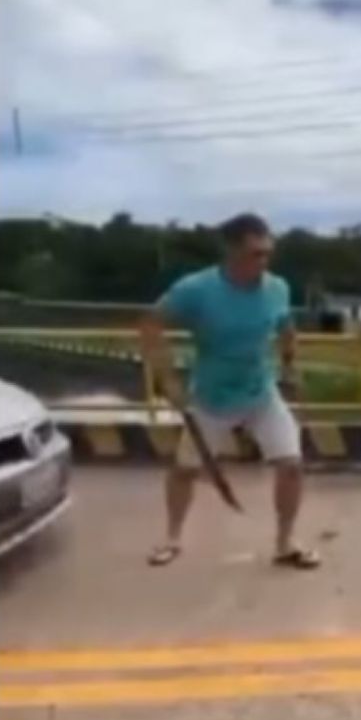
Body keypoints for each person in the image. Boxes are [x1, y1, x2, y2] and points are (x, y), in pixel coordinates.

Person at [140, 212, 321, 569]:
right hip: (211, 395)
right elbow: (150, 325)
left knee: (292, 465)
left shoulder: (277, 287)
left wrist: (289, 365)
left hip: (261, 391)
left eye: (268, 253)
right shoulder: (196, 289)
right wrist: (168, 380)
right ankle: (171, 537)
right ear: (231, 252)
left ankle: (285, 543)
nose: (263, 261)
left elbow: (287, 327)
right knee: (185, 469)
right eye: (255, 254)